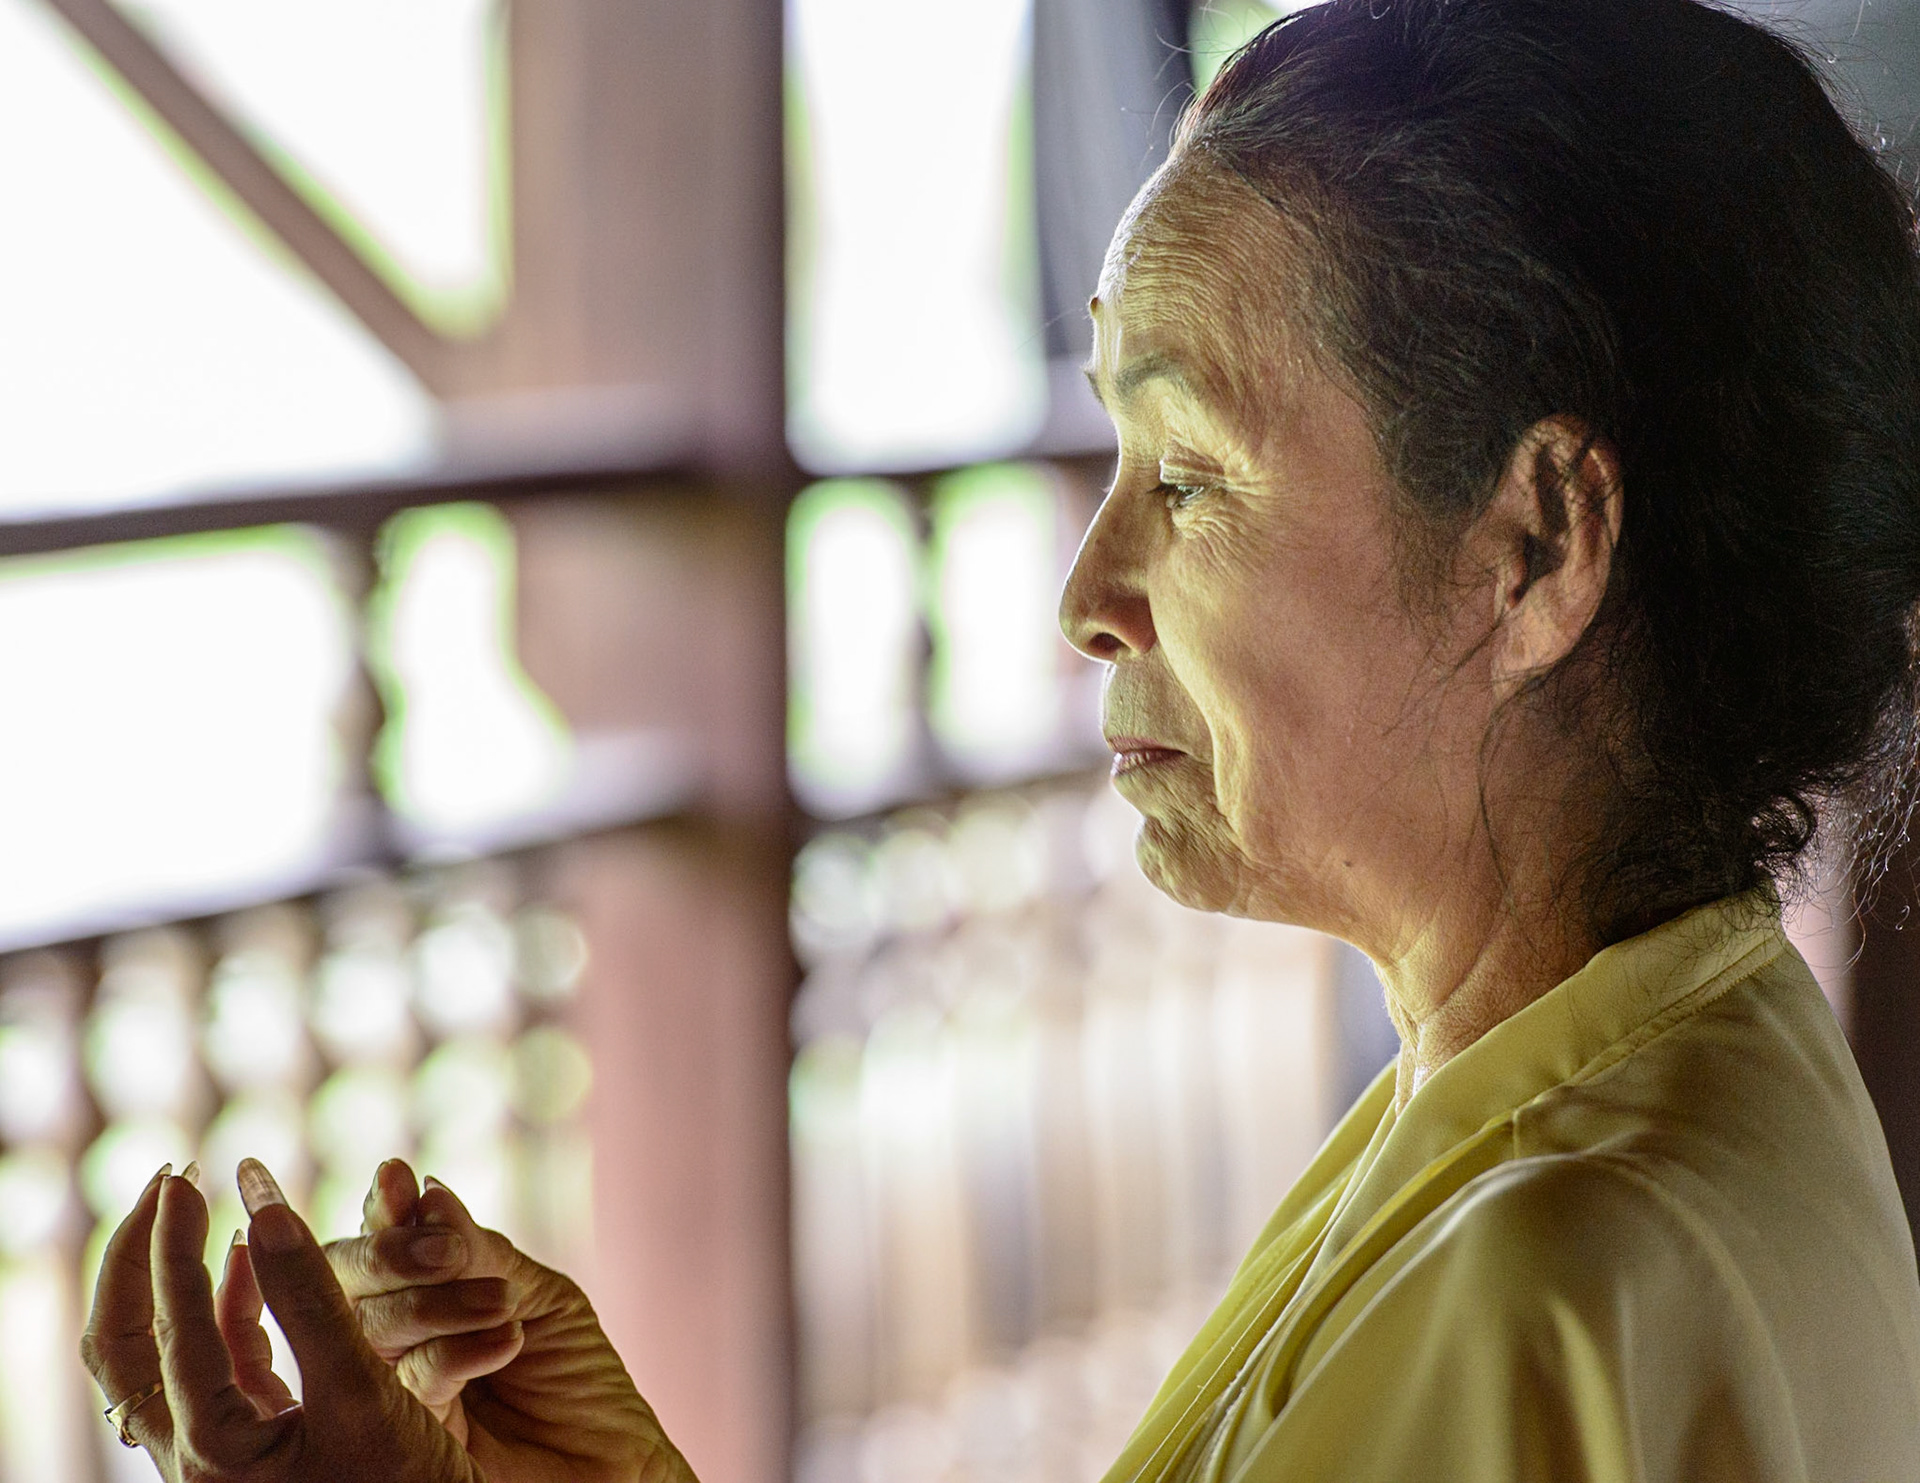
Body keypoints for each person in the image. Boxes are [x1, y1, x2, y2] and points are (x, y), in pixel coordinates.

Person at [81, 0, 1920, 1476]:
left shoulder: (1553, 1271)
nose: (1088, 588)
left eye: (1189, 478)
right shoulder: (1664, 1061)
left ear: (1533, 547)